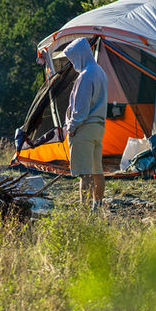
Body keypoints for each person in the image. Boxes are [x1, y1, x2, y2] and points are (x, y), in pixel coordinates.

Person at [63, 37, 109, 210]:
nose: (73, 62)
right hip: (98, 127)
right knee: (97, 170)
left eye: (73, 58)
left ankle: (84, 211)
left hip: (84, 128)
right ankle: (97, 207)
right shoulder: (100, 71)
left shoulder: (85, 76)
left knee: (85, 173)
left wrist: (72, 128)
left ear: (80, 55)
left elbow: (80, 109)